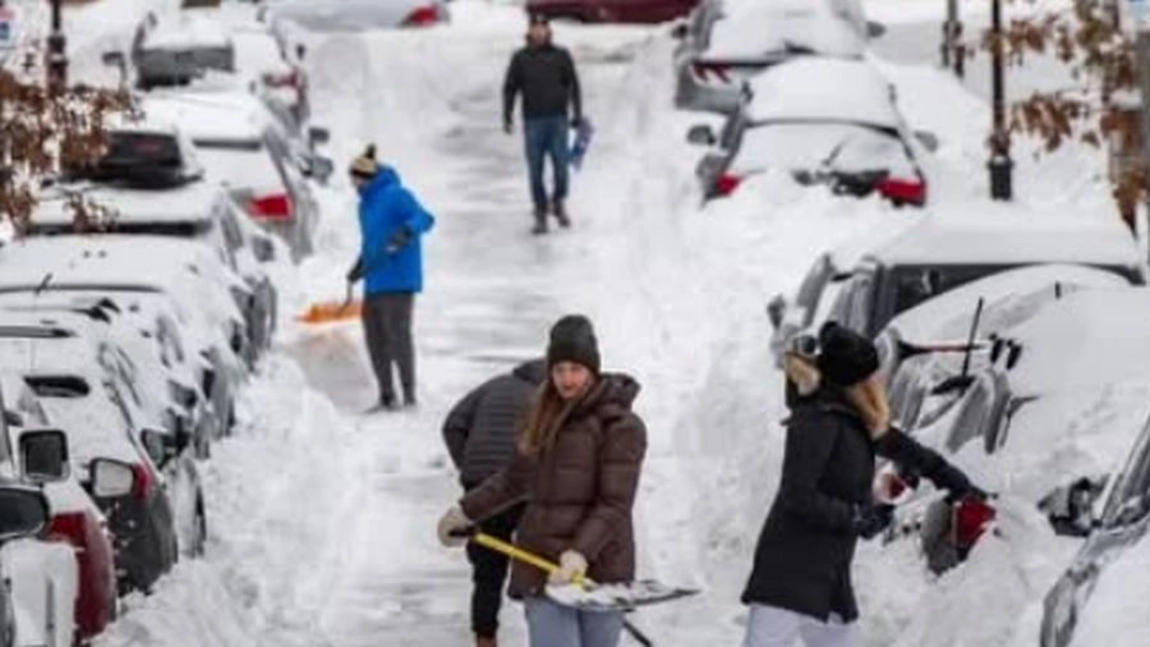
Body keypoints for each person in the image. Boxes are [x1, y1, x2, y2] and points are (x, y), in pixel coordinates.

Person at [742, 322, 986, 647]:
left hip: (828, 574)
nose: (878, 382)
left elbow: (907, 450)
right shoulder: (817, 422)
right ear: (853, 382)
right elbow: (797, 495)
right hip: (791, 571)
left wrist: (955, 482)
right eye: (871, 376)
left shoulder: (852, 418)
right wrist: (857, 517)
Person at [437, 315, 646, 647]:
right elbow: (514, 480)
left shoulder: (621, 427)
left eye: (575, 369)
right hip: (543, 567)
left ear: (592, 369)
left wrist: (580, 553)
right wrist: (465, 511)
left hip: (601, 570)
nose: (567, 379)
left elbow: (614, 504)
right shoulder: (541, 416)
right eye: (559, 369)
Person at [442, 359, 548, 647]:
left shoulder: (494, 385)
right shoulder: (547, 398)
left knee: (488, 568)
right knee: (536, 564)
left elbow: (452, 425)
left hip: (481, 487)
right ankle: (545, 634)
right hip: (523, 487)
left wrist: (469, 466)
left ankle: (485, 637)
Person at [346, 144, 435, 411]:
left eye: (355, 178)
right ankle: (386, 395)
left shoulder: (397, 195)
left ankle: (409, 395)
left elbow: (425, 218)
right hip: (375, 280)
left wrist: (406, 232)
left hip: (398, 278)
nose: (352, 183)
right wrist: (359, 267)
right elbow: (371, 243)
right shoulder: (364, 205)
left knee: (398, 337)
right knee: (374, 339)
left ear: (366, 176)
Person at [502, 15, 583, 235]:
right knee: (535, 169)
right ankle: (540, 210)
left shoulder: (561, 55)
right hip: (533, 121)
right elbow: (510, 88)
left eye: (543, 28)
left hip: (558, 120)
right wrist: (507, 115)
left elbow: (573, 85)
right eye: (535, 28)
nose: (539, 32)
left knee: (561, 168)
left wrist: (577, 113)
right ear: (529, 31)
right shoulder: (520, 58)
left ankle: (558, 201)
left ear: (548, 31)